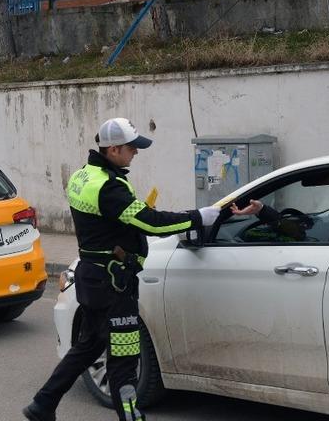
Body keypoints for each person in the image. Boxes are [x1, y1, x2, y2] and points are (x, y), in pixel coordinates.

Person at [23, 118, 221, 421]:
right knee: (124, 362)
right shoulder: (109, 186)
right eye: (132, 148)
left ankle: (42, 404)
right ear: (113, 149)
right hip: (114, 286)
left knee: (88, 347)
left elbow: (117, 220)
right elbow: (148, 222)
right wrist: (198, 217)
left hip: (92, 278)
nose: (136, 153)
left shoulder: (84, 175)